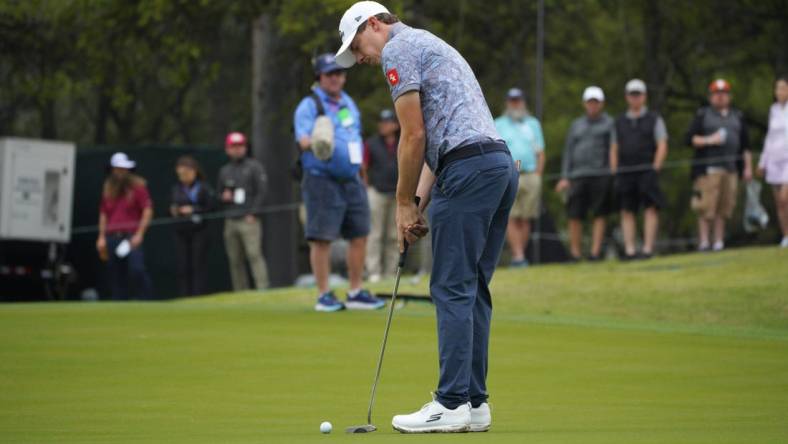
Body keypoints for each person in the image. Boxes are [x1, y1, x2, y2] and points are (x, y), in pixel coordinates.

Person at [336, 1, 518, 433]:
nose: (360, 58)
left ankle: (451, 403)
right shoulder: (433, 45)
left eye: (357, 45)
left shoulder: (399, 51)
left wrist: (400, 203)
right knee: (471, 287)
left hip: (468, 170)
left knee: (451, 285)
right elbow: (440, 137)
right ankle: (474, 404)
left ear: (374, 25)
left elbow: (413, 135)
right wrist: (417, 204)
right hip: (497, 166)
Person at [293, 53, 384, 312]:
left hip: (352, 178)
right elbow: (302, 140)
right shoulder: (309, 105)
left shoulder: (347, 103)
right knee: (322, 238)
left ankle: (355, 291)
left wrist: (362, 173)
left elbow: (354, 137)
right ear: (319, 77)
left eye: (339, 74)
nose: (335, 78)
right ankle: (324, 295)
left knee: (360, 234)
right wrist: (318, 143)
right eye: (329, 74)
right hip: (322, 179)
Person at [685, 79, 753, 252]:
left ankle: (718, 242)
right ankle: (704, 242)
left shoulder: (737, 116)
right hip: (708, 169)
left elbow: (746, 146)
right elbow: (689, 139)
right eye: (716, 93)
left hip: (730, 169)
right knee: (706, 207)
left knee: (724, 208)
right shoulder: (703, 115)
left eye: (723, 93)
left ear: (728, 96)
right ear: (711, 96)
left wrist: (747, 167)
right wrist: (710, 140)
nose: (720, 97)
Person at [555, 86, 618, 261]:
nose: (593, 105)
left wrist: (613, 174)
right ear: (584, 103)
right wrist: (565, 176)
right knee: (574, 214)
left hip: (601, 175)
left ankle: (595, 253)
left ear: (602, 104)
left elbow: (613, 148)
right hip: (577, 176)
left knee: (599, 214)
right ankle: (575, 254)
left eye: (596, 102)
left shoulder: (609, 123)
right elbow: (568, 151)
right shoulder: (576, 125)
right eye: (590, 102)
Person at [612, 79, 669, 260]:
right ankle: (630, 250)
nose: (635, 98)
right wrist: (614, 170)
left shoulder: (654, 118)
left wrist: (656, 167)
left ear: (644, 96)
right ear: (627, 97)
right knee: (626, 210)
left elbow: (662, 143)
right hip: (625, 171)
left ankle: (647, 249)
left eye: (638, 94)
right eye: (632, 95)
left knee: (650, 208)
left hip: (647, 170)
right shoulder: (619, 121)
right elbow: (613, 147)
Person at [494, 87, 545, 267]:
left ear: (523, 102)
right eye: (512, 100)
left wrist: (538, 175)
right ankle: (518, 255)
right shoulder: (498, 123)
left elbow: (540, 152)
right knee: (511, 216)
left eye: (518, 100)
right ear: (508, 103)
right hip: (510, 173)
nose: (515, 104)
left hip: (530, 174)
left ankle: (520, 256)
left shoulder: (533, 124)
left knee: (525, 217)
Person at [95, 152, 154, 300]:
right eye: (118, 169)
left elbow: (147, 210)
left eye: (123, 169)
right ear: (113, 170)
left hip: (130, 237)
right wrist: (101, 237)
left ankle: (145, 301)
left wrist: (139, 234)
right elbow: (103, 214)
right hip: (112, 237)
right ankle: (119, 305)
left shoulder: (138, 187)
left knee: (137, 270)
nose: (121, 172)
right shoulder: (107, 189)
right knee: (116, 275)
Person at [217, 132, 270, 291]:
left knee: (254, 255)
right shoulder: (224, 170)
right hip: (231, 219)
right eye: (234, 146)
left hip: (249, 219)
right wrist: (223, 197)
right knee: (235, 260)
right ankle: (240, 291)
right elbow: (219, 194)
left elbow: (262, 192)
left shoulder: (254, 167)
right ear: (228, 149)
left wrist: (253, 213)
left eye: (240, 146)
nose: (237, 149)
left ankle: (263, 289)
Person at [170, 155, 215, 296]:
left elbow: (211, 207)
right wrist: (175, 210)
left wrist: (193, 210)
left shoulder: (203, 188)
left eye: (186, 173)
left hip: (199, 231)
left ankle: (198, 294)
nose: (183, 176)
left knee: (198, 265)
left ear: (194, 171)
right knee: (183, 265)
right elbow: (171, 207)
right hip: (182, 231)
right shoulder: (177, 188)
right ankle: (185, 295)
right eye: (180, 173)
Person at [364, 109, 400, 282]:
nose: (383, 126)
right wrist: (367, 186)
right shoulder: (371, 143)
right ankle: (374, 272)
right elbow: (363, 167)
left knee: (394, 235)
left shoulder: (403, 141)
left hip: (398, 193)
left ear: (395, 124)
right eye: (381, 122)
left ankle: (391, 272)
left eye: (387, 122)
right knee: (375, 234)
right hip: (377, 192)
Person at [757, 75, 788, 248]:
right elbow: (769, 138)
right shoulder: (773, 110)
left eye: (783, 88)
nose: (780, 92)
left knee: (786, 198)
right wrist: (763, 162)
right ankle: (786, 235)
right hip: (774, 160)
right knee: (780, 202)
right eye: (778, 89)